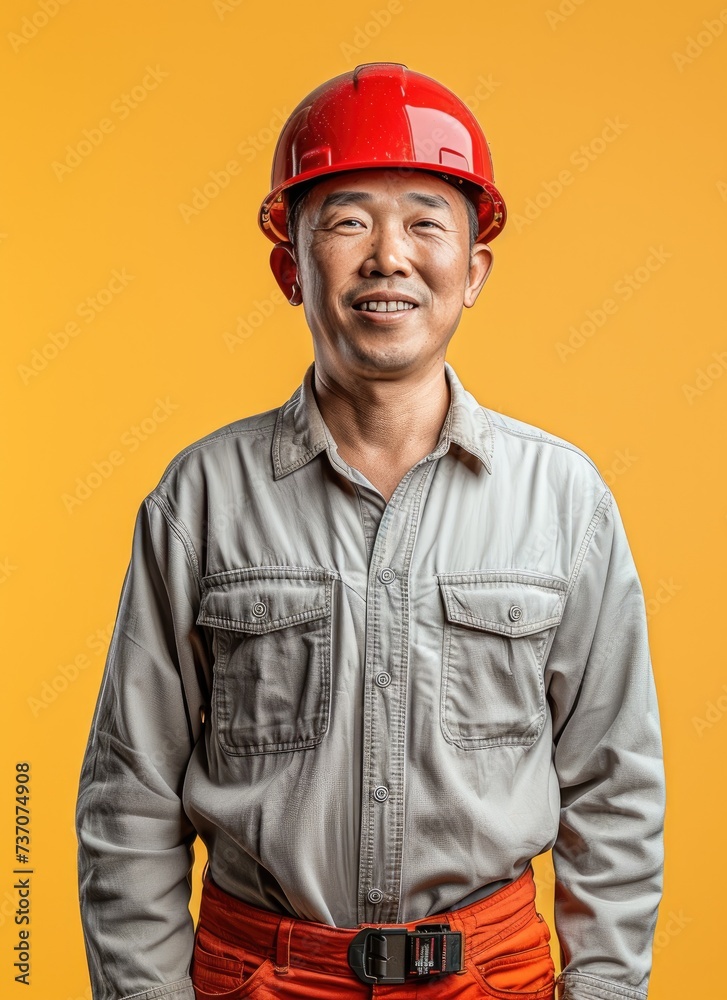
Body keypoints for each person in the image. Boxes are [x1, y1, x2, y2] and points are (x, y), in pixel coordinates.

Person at [75, 62, 665, 1000]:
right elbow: (129, 793)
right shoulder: (199, 499)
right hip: (257, 977)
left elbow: (614, 786)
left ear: (471, 271)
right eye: (347, 220)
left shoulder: (563, 500)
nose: (388, 254)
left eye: (426, 221)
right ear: (290, 267)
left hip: (492, 978)